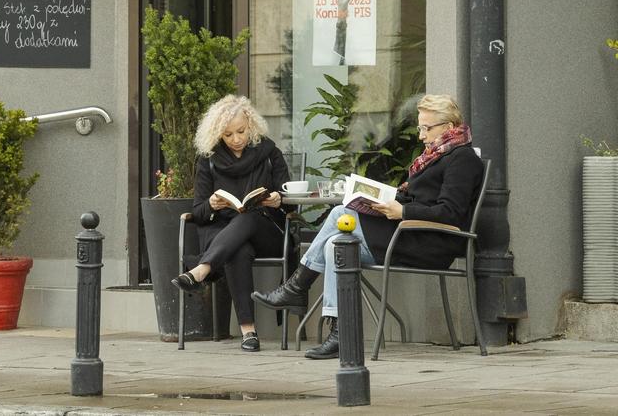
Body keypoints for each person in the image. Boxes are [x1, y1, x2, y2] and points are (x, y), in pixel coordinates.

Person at [252, 94, 484, 359]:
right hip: (407, 233)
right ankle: (340, 333)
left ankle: (296, 287)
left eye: (425, 128)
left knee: (340, 210)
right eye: (420, 127)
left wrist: (403, 210)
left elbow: (451, 212)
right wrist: (383, 198)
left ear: (448, 126)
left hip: (431, 241)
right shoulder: (433, 155)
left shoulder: (462, 158)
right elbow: (421, 197)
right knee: (334, 244)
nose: (420, 135)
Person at [171, 95, 295, 352]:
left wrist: (277, 200)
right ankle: (248, 332)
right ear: (218, 135)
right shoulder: (209, 159)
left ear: (251, 125)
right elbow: (199, 212)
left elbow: (290, 203)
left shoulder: (269, 152)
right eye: (228, 135)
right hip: (225, 235)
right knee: (238, 249)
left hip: (266, 232)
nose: (236, 139)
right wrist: (213, 205)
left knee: (248, 215)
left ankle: (202, 269)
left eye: (241, 131)